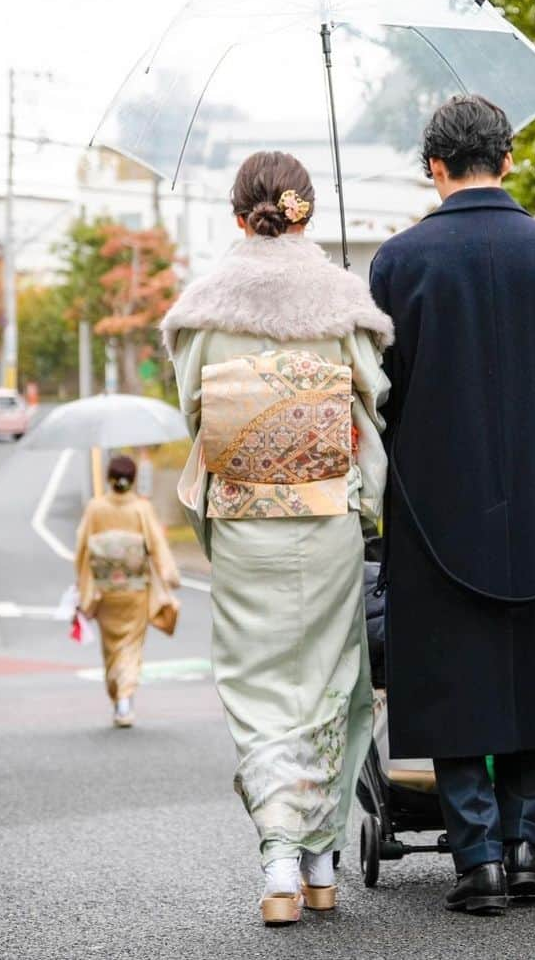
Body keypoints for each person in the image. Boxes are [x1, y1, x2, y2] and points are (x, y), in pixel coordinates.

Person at [369, 94, 535, 917]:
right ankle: (526, 843)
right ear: (508, 160)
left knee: (451, 669)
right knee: (530, 664)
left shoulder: (399, 264)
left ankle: (476, 859)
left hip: (434, 496)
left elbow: (381, 394)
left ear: (434, 167)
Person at [162, 150, 392, 927]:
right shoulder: (341, 300)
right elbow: (373, 402)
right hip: (324, 516)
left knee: (260, 691)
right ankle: (322, 862)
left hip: (243, 519)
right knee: (331, 678)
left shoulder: (205, 308)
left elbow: (195, 412)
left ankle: (280, 863)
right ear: (308, 214)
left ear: (239, 216)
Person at [74, 453, 181, 728]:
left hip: (104, 590)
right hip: (135, 590)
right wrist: (169, 575)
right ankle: (124, 702)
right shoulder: (140, 509)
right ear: (133, 480)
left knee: (111, 649)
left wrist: (82, 583)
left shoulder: (95, 508)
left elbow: (82, 549)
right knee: (130, 648)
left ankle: (118, 698)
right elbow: (156, 545)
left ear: (109, 479)